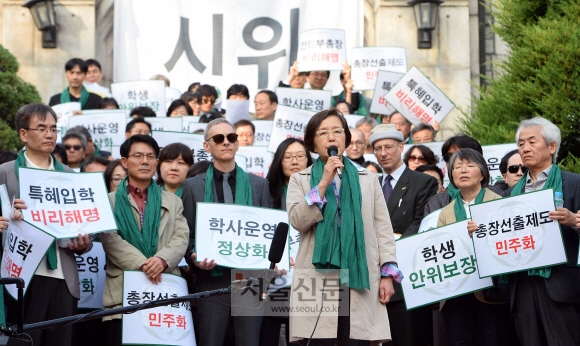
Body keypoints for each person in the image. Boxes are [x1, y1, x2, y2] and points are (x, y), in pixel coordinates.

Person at [287, 109, 401, 345]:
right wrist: (323, 184)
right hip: (318, 274)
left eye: (338, 131)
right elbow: (298, 220)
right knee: (320, 340)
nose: (332, 137)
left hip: (358, 273)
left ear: (346, 138)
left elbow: (383, 229)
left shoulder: (367, 179)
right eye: (324, 132)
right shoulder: (300, 179)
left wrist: (387, 274)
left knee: (356, 339)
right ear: (312, 142)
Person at [0, 104, 92, 346]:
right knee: (22, 341)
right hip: (21, 274)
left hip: (63, 274)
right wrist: (7, 217)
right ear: (23, 134)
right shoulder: (5, 173)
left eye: (53, 129)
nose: (50, 134)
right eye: (41, 128)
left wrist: (82, 244)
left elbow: (83, 225)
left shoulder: (70, 175)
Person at [181, 118, 270, 346]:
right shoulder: (192, 186)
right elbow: (187, 234)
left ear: (238, 143)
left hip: (251, 278)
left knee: (249, 341)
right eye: (218, 138)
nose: (226, 142)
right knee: (210, 340)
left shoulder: (259, 185)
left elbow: (268, 233)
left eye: (231, 137)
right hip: (211, 277)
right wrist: (193, 256)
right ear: (207, 146)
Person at [100, 135, 189, 346]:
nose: (145, 161)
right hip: (123, 293)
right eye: (138, 156)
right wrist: (143, 263)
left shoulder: (173, 201)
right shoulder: (108, 201)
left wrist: (162, 260)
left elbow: (181, 237)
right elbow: (110, 238)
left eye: (150, 156)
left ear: (157, 163)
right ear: (124, 161)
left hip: (165, 291)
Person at [505, 117, 580, 345]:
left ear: (551, 146)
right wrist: (481, 231)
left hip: (560, 285)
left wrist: (574, 221)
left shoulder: (574, 183)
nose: (525, 148)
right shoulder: (509, 195)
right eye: (520, 143)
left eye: (531, 141)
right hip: (523, 286)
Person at [370, 123, 438, 346]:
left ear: (401, 146)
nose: (383, 153)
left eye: (388, 147)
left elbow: (420, 224)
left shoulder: (422, 181)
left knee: (409, 336)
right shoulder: (370, 185)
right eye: (377, 148)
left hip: (406, 275)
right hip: (372, 276)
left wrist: (389, 262)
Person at [437, 148, 510, 346]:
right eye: (457, 167)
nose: (463, 170)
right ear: (451, 175)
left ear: (483, 173)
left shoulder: (500, 203)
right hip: (457, 293)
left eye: (470, 165)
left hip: (492, 291)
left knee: (492, 339)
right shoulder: (446, 212)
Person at [262, 138, 312, 346]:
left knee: (301, 337)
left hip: (307, 276)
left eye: (300, 156)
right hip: (271, 277)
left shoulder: (319, 191)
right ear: (278, 161)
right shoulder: (265, 192)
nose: (294, 161)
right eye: (288, 157)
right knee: (267, 333)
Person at [424, 135, 505, 215]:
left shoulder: (497, 196)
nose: (455, 160)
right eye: (449, 156)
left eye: (464, 157)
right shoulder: (435, 202)